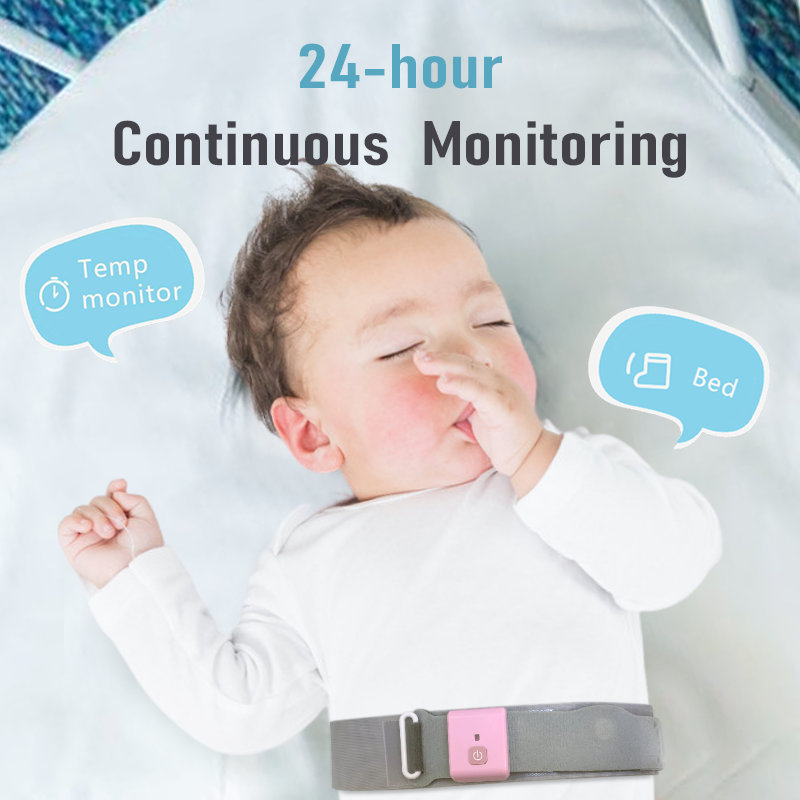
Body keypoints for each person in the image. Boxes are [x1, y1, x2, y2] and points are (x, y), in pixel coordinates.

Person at [58, 165, 722, 798]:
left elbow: (674, 564)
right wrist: (132, 576)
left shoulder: (573, 477)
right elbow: (239, 709)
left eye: (491, 321)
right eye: (402, 347)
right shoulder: (310, 560)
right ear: (313, 433)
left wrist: (535, 456)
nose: (473, 357)